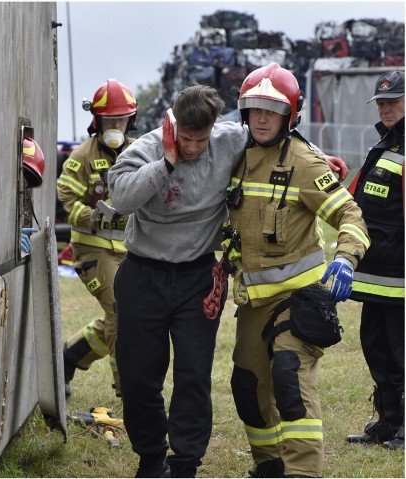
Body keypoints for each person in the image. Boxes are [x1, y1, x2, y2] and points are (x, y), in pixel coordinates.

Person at [106, 83, 349, 478]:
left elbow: (281, 144)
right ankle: (151, 459)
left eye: (201, 139)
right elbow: (122, 198)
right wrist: (166, 162)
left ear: (214, 128)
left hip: (197, 277)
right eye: (185, 138)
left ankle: (185, 463)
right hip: (143, 274)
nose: (193, 148)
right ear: (172, 126)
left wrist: (323, 160)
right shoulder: (147, 148)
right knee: (139, 378)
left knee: (193, 376)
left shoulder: (229, 140)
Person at [226, 63, 369, 478]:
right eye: (255, 109)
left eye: (272, 109)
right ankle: (269, 467)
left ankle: (303, 472)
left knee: (289, 378)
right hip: (253, 302)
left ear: (291, 115)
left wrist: (345, 258)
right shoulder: (235, 158)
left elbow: (350, 214)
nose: (263, 118)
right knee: (248, 388)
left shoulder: (305, 162)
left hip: (299, 302)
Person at [57, 79, 137, 398]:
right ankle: (127, 388)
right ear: (98, 121)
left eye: (121, 119)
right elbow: (65, 199)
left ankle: (70, 356)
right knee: (120, 310)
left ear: (130, 120)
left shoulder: (137, 152)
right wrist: (94, 217)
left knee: (128, 313)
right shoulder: (82, 155)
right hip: (93, 251)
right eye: (110, 120)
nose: (116, 125)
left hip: (129, 250)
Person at [344, 70, 405, 450]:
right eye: (381, 102)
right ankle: (388, 420)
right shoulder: (384, 145)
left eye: (393, 101)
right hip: (377, 276)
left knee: (402, 354)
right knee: (377, 348)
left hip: (401, 275)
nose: (385, 108)